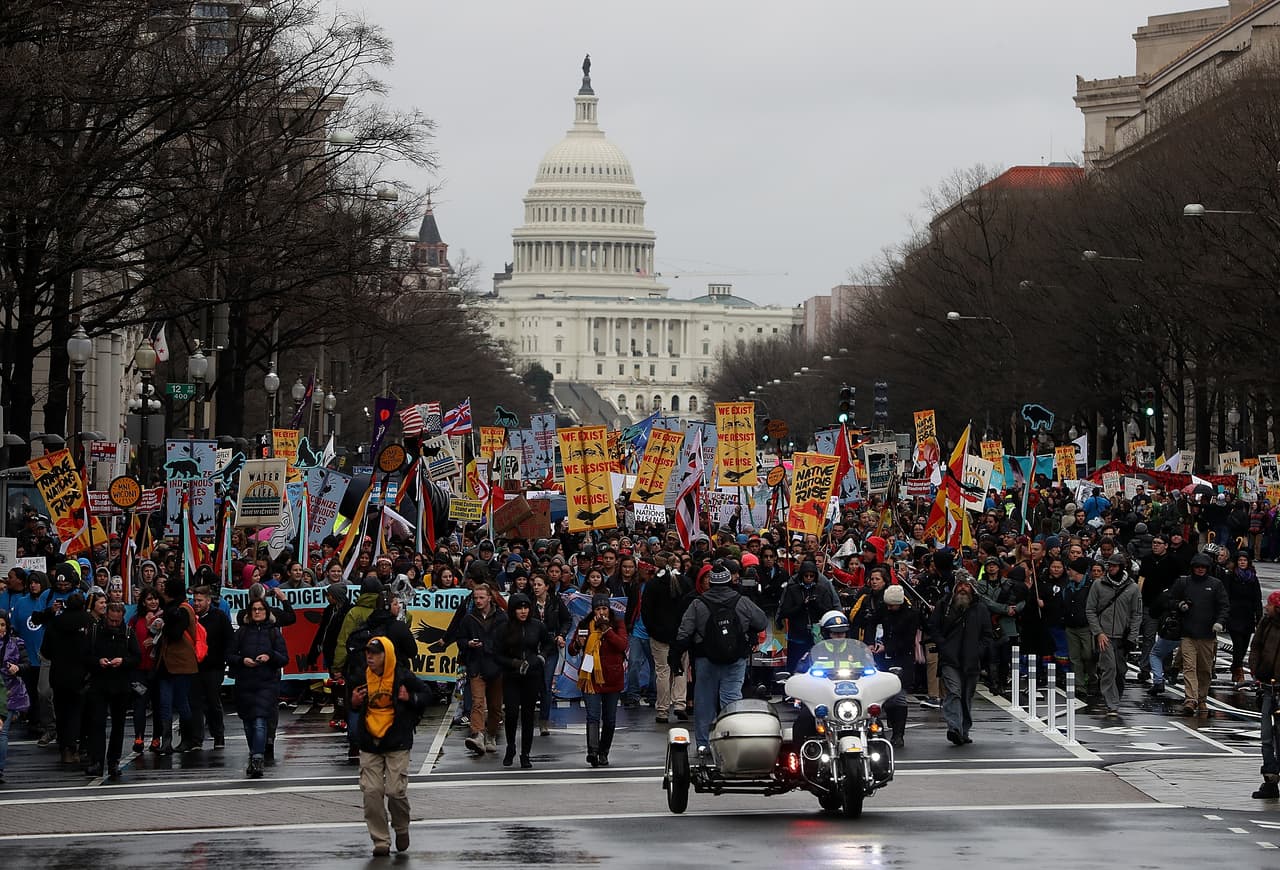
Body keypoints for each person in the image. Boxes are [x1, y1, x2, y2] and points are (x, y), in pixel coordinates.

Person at [673, 562, 768, 751]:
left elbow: (684, 633)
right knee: (731, 698)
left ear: (711, 583)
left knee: (704, 701)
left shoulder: (698, 603)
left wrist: (676, 656)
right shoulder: (742, 601)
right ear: (729, 582)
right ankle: (732, 742)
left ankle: (703, 745)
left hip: (705, 658)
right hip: (736, 658)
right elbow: (762, 621)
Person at [350, 636, 430, 856]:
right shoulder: (361, 676)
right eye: (368, 652)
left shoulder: (402, 675)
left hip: (397, 741)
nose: (370, 657)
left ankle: (401, 827)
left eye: (375, 653)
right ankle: (381, 840)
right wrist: (353, 703)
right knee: (372, 792)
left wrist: (410, 697)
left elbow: (426, 694)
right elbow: (351, 701)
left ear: (387, 655)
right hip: (369, 742)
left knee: (395, 791)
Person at [226, 597, 288, 778]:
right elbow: (229, 655)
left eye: (261, 609)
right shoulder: (242, 633)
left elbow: (284, 658)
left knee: (260, 721)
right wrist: (241, 660)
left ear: (266, 612)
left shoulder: (274, 633)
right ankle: (255, 754)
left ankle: (257, 758)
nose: (257, 612)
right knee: (248, 724)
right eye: (254, 609)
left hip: (266, 683)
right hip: (245, 682)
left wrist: (269, 656)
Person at [927, 578, 992, 746]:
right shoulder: (945, 605)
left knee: (966, 696)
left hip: (971, 660)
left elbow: (987, 634)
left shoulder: (981, 608)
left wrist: (979, 651)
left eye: (967, 585)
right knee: (954, 692)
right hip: (950, 658)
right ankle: (954, 728)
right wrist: (943, 645)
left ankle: (964, 730)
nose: (963, 588)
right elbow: (933, 627)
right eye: (960, 585)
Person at [569, 594, 628, 767]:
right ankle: (592, 752)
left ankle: (604, 751)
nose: (601, 612)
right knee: (592, 716)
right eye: (598, 609)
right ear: (593, 610)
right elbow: (572, 650)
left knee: (609, 719)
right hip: (591, 677)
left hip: (612, 677)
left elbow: (622, 645)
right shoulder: (584, 625)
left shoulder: (617, 624)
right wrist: (578, 644)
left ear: (609, 610)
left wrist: (607, 631)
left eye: (604, 609)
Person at [83, 601, 140, 778]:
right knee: (97, 724)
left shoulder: (129, 633)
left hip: (121, 684)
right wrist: (98, 661)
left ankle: (113, 762)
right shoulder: (94, 631)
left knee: (118, 726)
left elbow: (136, 657)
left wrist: (123, 661)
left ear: (122, 617)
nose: (114, 624)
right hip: (99, 683)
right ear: (105, 616)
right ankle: (97, 761)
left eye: (117, 621)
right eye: (111, 620)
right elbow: (84, 656)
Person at [1169, 553, 1229, 716]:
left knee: (1205, 670)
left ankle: (1201, 698)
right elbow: (1170, 599)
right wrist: (1179, 604)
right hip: (1187, 633)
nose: (1200, 569)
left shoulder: (1216, 585)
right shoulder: (1184, 582)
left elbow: (1224, 606)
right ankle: (1191, 699)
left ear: (1208, 568)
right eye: (1197, 567)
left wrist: (1220, 622)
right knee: (1189, 667)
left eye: (1203, 567)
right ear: (1193, 568)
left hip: (1208, 635)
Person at [1086, 553, 1142, 717]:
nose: (1111, 569)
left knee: (1120, 670)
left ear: (1122, 567)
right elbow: (1090, 610)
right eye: (1109, 566)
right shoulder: (1098, 585)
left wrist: (1132, 637)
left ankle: (1115, 697)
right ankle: (1112, 704)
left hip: (1123, 636)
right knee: (1109, 668)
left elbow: (1136, 614)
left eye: (1114, 566)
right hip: (1104, 635)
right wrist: (1098, 633)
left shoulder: (1132, 588)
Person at [865, 584, 920, 748]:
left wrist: (887, 647)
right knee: (885, 696)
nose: (889, 608)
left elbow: (908, 639)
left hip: (902, 658)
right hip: (883, 658)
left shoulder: (911, 614)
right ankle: (890, 719)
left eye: (892, 605)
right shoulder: (883, 610)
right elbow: (870, 623)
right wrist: (869, 643)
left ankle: (898, 734)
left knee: (899, 697)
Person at [496, 592, 548, 769]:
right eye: (519, 608)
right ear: (513, 610)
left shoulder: (537, 626)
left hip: (532, 675)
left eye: (526, 608)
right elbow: (496, 654)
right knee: (511, 713)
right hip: (512, 675)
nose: (523, 611)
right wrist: (513, 663)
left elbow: (548, 644)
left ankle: (525, 753)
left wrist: (540, 658)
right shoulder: (504, 628)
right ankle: (510, 746)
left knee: (528, 714)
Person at [40, 591, 91, 764]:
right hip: (81, 673)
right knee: (78, 711)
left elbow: (45, 651)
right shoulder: (88, 621)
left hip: (59, 673)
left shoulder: (56, 622)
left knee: (61, 711)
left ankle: (64, 748)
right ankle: (74, 746)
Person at [458, 583, 507, 756]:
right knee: (477, 702)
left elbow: (507, 641)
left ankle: (491, 735)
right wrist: (468, 644)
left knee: (495, 706)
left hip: (496, 665)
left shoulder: (501, 617)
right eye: (475, 598)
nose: (478, 601)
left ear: (489, 598)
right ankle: (477, 734)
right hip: (476, 664)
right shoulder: (469, 618)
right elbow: (460, 639)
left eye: (481, 597)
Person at [642, 559, 693, 724]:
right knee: (680, 670)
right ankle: (680, 704)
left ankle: (662, 710)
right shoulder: (685, 582)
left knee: (662, 672)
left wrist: (652, 630)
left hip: (660, 635)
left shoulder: (653, 584)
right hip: (681, 635)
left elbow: (646, 611)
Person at [153, 576, 200, 755]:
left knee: (181, 702)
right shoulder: (172, 609)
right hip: (166, 663)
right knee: (165, 704)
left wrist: (164, 624)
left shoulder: (183, 609)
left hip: (181, 663)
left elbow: (175, 633)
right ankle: (167, 741)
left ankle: (187, 739)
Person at [188, 586, 232, 750]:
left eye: (200, 600)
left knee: (213, 700)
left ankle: (218, 735)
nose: (196, 603)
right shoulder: (191, 617)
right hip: (194, 667)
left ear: (208, 600)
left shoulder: (219, 616)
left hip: (214, 666)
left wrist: (226, 658)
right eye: (195, 600)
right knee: (196, 702)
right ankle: (196, 739)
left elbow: (229, 639)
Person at [776, 561, 839, 672]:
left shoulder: (822, 590)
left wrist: (816, 605)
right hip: (797, 636)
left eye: (812, 576)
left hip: (817, 636)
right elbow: (785, 612)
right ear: (801, 576)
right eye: (806, 576)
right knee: (795, 666)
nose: (809, 578)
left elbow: (829, 612)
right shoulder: (792, 590)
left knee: (819, 665)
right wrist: (801, 605)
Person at [1248, 590, 1280, 799]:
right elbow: (1256, 646)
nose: (1265, 607)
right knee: (1266, 736)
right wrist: (1256, 669)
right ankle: (1270, 779)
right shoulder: (1266, 623)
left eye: (1269, 604)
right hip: (1268, 686)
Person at [529, 574, 569, 735]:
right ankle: (529, 718)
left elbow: (567, 620)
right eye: (534, 584)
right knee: (532, 684)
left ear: (546, 586)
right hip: (532, 648)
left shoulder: (555, 602)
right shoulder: (528, 603)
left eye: (539, 584)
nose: (536, 587)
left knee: (546, 684)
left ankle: (544, 721)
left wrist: (562, 635)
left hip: (550, 647)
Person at [0, 609, 31, 784]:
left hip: (9, 691)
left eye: (3, 625)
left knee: (2, 733)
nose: (0, 629)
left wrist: (18, 668)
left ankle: (0, 769)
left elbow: (27, 663)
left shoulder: (15, 643)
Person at [1225, 551, 1263, 684]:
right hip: (1234, 615)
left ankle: (1235, 666)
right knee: (1238, 644)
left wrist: (1259, 617)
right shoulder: (1231, 576)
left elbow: (1257, 599)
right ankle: (1238, 670)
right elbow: (1226, 595)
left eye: (1245, 560)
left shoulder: (1253, 578)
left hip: (1247, 616)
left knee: (1244, 645)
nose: (1242, 562)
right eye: (1240, 560)